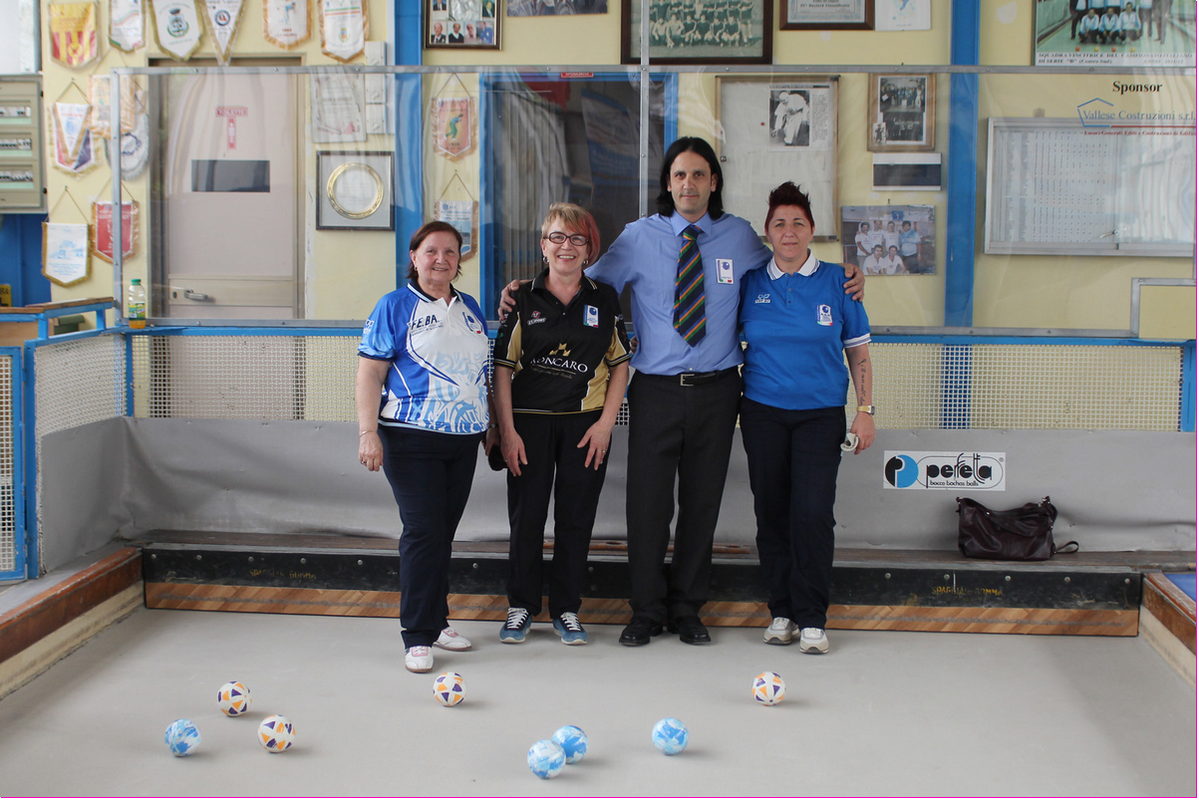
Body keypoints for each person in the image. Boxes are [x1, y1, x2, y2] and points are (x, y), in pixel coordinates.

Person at [501, 137, 864, 647]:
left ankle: (688, 609)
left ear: (713, 182)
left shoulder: (739, 236)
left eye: (698, 174)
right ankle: (646, 610)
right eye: (679, 175)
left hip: (719, 391)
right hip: (655, 390)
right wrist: (524, 290)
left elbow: (788, 260)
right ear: (667, 184)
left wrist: (844, 274)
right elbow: (578, 282)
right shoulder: (638, 237)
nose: (688, 184)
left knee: (701, 503)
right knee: (647, 505)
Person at [738, 181, 875, 656]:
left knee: (812, 513)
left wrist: (865, 411)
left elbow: (858, 353)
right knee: (771, 512)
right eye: (779, 224)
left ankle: (813, 617)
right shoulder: (750, 282)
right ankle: (782, 611)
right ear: (767, 233)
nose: (789, 232)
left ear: (812, 230)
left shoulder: (840, 281)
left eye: (798, 223)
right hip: (762, 413)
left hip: (820, 415)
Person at [357, 221, 499, 674]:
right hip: (410, 436)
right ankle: (417, 633)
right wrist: (367, 432)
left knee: (442, 534)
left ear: (460, 260)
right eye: (432, 251)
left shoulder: (470, 307)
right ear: (414, 257)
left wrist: (492, 427)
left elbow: (482, 374)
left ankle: (437, 622)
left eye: (451, 252)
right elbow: (370, 373)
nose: (441, 259)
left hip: (464, 439)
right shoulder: (394, 305)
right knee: (422, 532)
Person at [492, 204, 632, 646]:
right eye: (557, 237)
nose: (566, 246)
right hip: (529, 427)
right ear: (543, 245)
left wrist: (606, 425)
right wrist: (508, 432)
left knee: (576, 519)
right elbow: (501, 370)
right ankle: (521, 606)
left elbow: (620, 365)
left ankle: (567, 609)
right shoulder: (522, 297)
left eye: (576, 239)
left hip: (584, 428)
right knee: (527, 519)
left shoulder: (604, 297)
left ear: (589, 249)